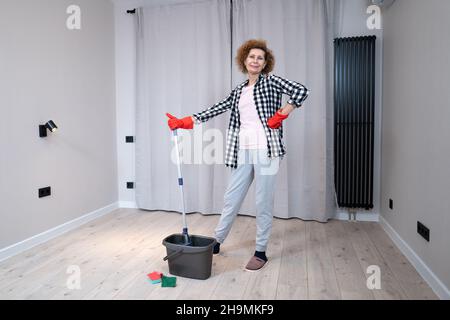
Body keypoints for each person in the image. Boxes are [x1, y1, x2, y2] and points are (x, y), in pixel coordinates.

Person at [166, 39, 309, 271]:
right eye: (252, 56)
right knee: (231, 198)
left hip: (267, 151)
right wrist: (185, 121)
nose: (255, 60)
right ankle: (217, 241)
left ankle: (260, 251)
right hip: (243, 150)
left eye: (260, 58)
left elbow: (301, 91)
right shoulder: (239, 91)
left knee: (263, 202)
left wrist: (283, 112)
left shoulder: (271, 82)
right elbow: (216, 108)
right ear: (244, 60)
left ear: (265, 63)